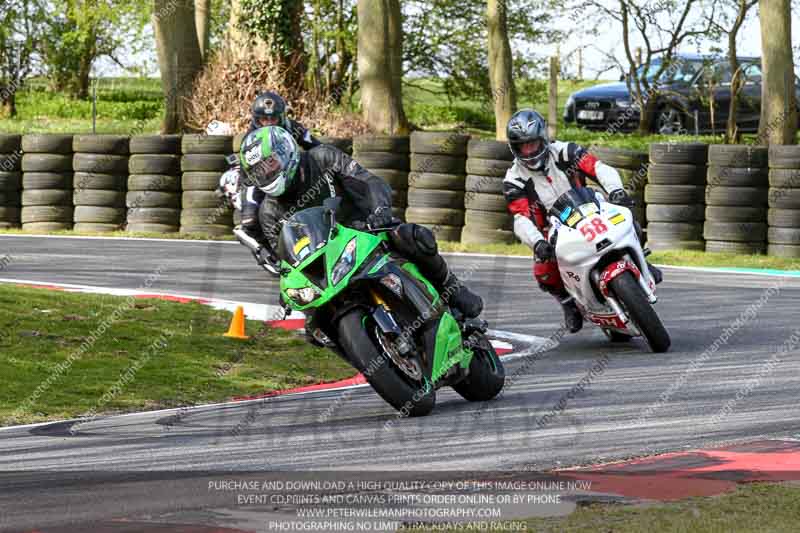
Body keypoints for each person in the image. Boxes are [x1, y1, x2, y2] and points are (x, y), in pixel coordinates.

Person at [235, 125, 484, 320]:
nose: (266, 173)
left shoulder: (322, 158)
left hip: (366, 229)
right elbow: (284, 260)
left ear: (285, 151)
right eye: (258, 171)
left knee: (410, 236)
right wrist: (285, 283)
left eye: (270, 164)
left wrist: (379, 210)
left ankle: (453, 289)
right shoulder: (268, 211)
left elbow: (368, 182)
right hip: (325, 263)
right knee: (314, 325)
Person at [502, 109, 662, 333]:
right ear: (514, 148)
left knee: (627, 218)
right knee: (543, 270)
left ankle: (642, 262)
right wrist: (538, 242)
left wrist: (616, 191)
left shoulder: (566, 151)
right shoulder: (514, 180)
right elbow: (521, 217)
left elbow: (598, 168)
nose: (529, 151)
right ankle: (569, 304)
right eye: (523, 146)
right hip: (554, 227)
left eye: (533, 144)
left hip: (589, 207)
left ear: (543, 139)